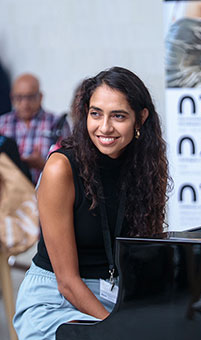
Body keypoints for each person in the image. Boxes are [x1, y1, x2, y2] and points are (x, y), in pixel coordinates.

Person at [13, 66, 170, 339]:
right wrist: (118, 326)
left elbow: (142, 254)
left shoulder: (146, 167)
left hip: (114, 295)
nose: (104, 127)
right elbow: (67, 282)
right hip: (56, 299)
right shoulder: (61, 168)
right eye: (95, 113)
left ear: (140, 119)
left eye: (118, 116)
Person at [0, 73, 71, 184]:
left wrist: (43, 165)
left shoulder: (56, 123)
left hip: (47, 190)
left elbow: (69, 166)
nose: (25, 103)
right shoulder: (3, 123)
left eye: (30, 97)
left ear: (40, 96)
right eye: (19, 98)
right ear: (11, 98)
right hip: (10, 195)